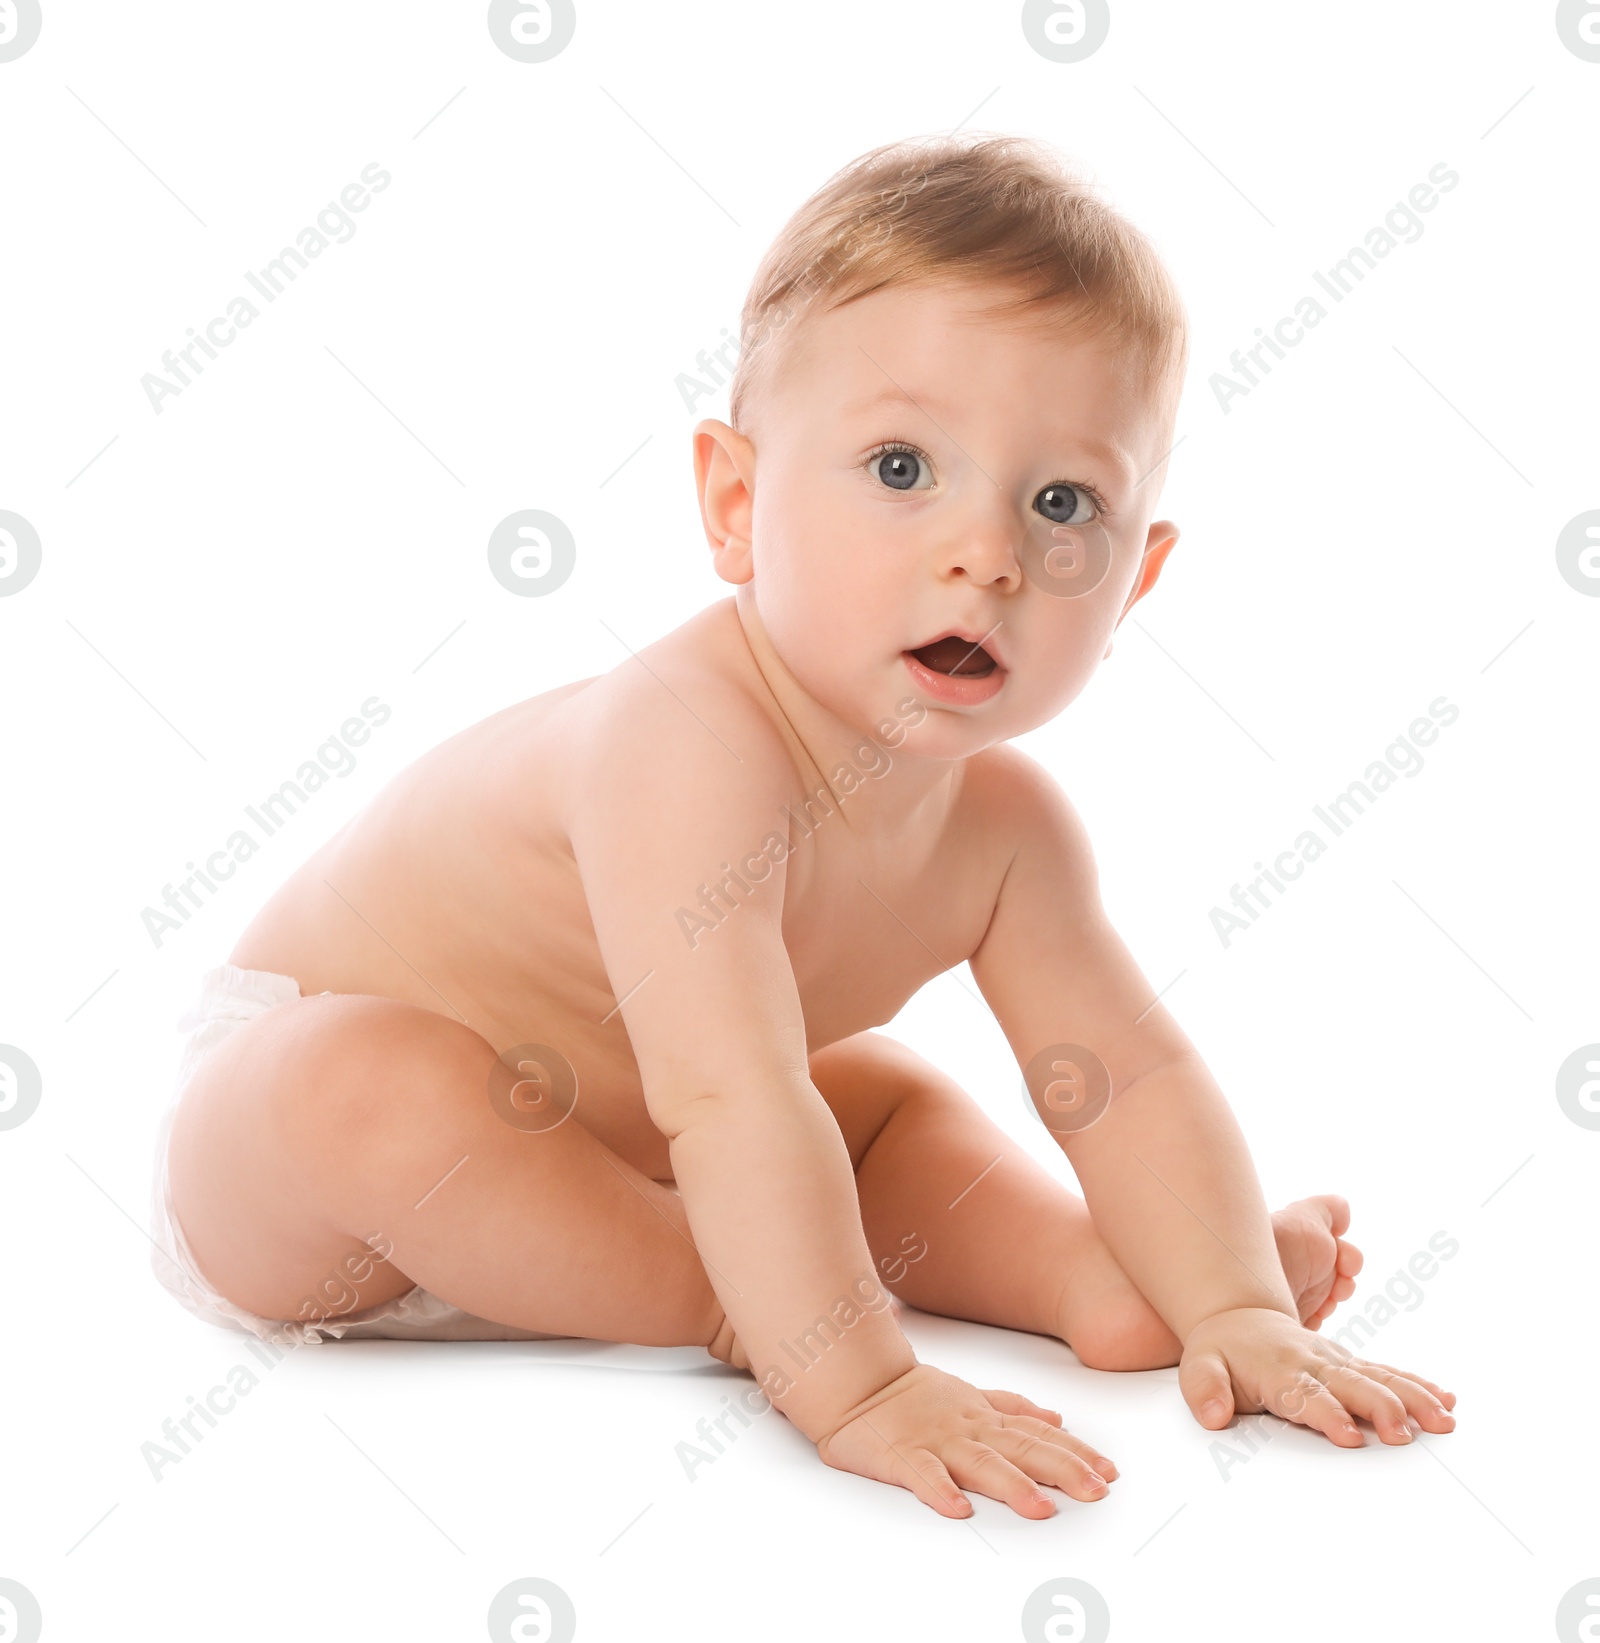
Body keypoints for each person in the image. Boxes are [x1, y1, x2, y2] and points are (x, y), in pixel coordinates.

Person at [150, 132, 1455, 1520]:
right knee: (372, 1079)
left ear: (1136, 579)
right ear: (735, 505)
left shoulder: (1009, 830)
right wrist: (859, 1381)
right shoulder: (683, 745)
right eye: (902, 467)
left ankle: (1094, 1275)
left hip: (636, 1159)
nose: (988, 552)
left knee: (880, 1106)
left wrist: (1237, 1301)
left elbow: (1124, 1074)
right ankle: (749, 1306)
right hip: (311, 1195)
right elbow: (727, 1098)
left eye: (1062, 504)